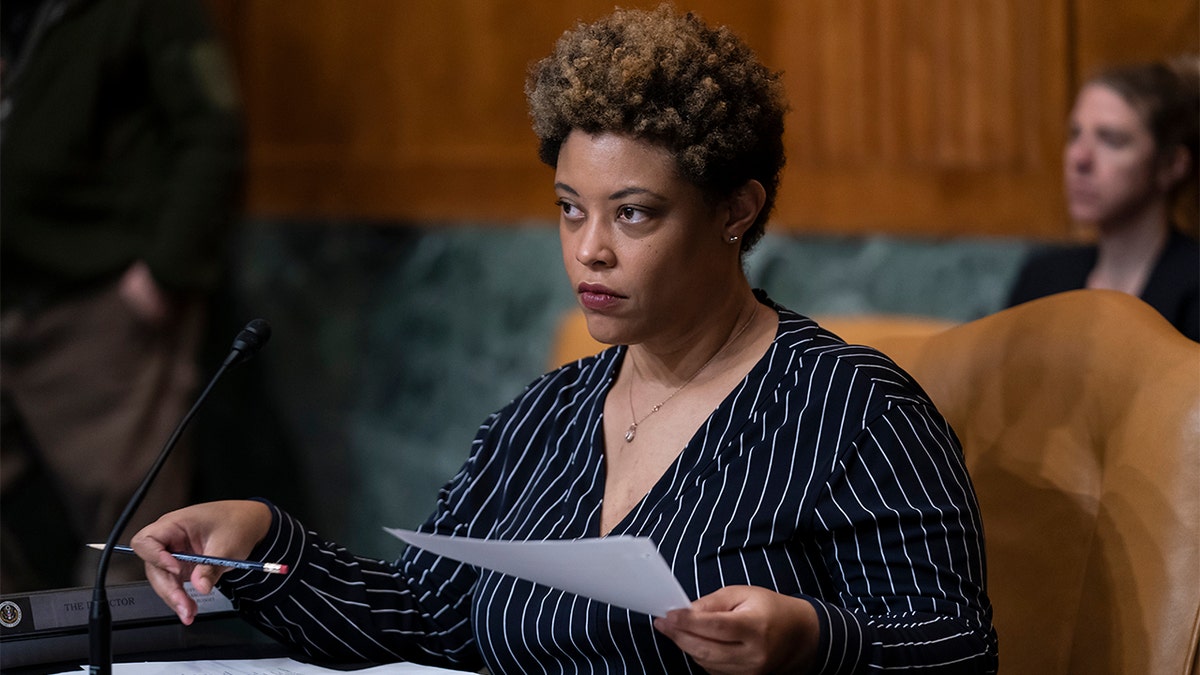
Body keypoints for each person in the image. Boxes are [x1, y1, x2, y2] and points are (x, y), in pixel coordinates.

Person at [131, 6, 998, 673]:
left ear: (738, 209)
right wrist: (266, 539)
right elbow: (429, 616)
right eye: (570, 209)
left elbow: (960, 649)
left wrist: (815, 640)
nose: (590, 249)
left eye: (634, 213)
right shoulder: (544, 417)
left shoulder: (851, 406)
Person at [0, 0, 244, 591]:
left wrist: (166, 271)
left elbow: (213, 130)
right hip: (11, 291)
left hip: (103, 306)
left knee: (135, 548)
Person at [1007, 56, 1200, 341]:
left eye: (1111, 140)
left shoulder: (1193, 285)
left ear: (1171, 165)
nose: (1079, 158)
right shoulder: (1043, 277)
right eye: (1075, 135)